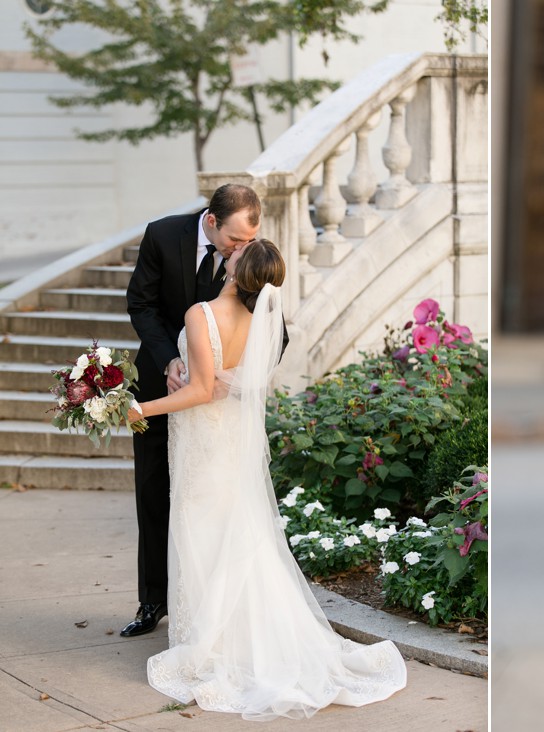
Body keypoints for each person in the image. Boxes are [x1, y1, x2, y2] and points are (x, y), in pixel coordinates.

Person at [127, 240, 407, 719]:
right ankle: (233, 632)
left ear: (236, 270)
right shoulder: (261, 321)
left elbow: (200, 390)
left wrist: (140, 408)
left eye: (236, 253)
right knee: (235, 530)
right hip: (230, 439)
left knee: (201, 531)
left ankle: (211, 644)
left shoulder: (201, 313)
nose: (229, 253)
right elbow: (216, 383)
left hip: (203, 441)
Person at [123, 183, 261, 637]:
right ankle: (153, 601)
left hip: (214, 405)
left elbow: (273, 332)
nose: (241, 250)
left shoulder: (250, 254)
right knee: (153, 490)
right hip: (162, 381)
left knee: (208, 502)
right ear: (211, 221)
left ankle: (212, 606)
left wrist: (239, 378)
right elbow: (140, 304)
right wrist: (170, 359)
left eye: (247, 242)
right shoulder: (162, 236)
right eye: (234, 241)